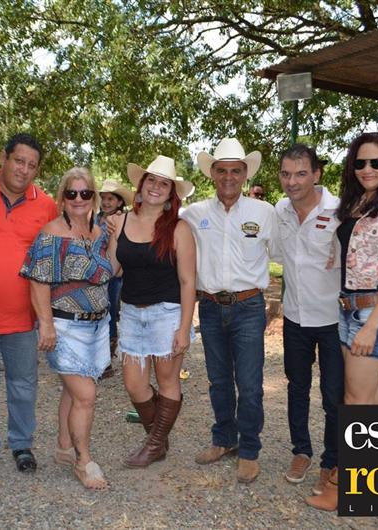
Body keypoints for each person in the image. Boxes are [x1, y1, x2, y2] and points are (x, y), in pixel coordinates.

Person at [306, 132, 378, 512]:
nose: (367, 169)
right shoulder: (358, 204)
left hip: (374, 314)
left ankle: (345, 486)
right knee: (370, 399)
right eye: (360, 162)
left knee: (355, 402)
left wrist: (371, 327)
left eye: (376, 162)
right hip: (349, 308)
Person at [182, 138, 278, 484]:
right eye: (221, 170)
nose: (228, 177)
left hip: (248, 307)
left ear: (245, 173)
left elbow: (283, 251)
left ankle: (249, 450)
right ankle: (224, 439)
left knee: (249, 385)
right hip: (209, 307)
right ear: (212, 173)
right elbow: (156, 222)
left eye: (235, 171)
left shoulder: (264, 213)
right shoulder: (193, 214)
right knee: (219, 381)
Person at [0, 133, 58, 476]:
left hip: (23, 317)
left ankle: (21, 444)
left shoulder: (46, 205)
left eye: (32, 165)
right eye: (19, 161)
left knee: (23, 385)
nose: (24, 170)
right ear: (3, 158)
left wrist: (46, 318)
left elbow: (51, 260)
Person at [22, 167, 114, 490]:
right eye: (71, 193)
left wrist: (115, 238)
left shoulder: (100, 232)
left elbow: (111, 271)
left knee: (73, 391)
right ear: (62, 197)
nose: (78, 199)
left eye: (85, 193)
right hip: (64, 326)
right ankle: (83, 461)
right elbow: (37, 280)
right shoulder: (52, 233)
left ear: (94, 196)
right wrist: (46, 324)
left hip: (97, 325)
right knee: (86, 395)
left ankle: (64, 445)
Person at [114, 155, 196, 469]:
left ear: (171, 193)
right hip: (131, 313)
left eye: (164, 184)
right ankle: (157, 441)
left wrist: (184, 328)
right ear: (142, 184)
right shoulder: (121, 221)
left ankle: (153, 446)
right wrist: (104, 236)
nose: (156, 187)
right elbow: (113, 268)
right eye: (152, 180)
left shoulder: (179, 228)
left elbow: (188, 281)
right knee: (134, 385)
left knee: (167, 381)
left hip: (167, 313)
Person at [273, 144, 344, 494]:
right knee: (297, 388)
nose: (293, 181)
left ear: (316, 174)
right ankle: (301, 451)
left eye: (301, 173)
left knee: (334, 396)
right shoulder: (280, 210)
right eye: (286, 174)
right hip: (295, 318)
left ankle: (332, 462)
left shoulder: (339, 211)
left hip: (333, 320)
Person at [97, 180, 134, 377]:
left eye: (110, 198)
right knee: (99, 312)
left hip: (114, 274)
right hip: (97, 272)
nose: (106, 202)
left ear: (119, 202)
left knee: (110, 312)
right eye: (103, 198)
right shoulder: (95, 219)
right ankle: (100, 356)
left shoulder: (121, 220)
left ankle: (107, 358)